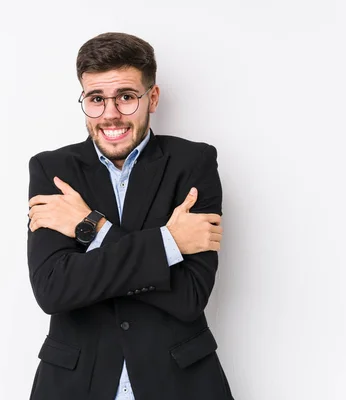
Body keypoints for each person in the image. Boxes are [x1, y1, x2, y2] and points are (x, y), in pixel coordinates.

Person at [27, 32, 234, 400]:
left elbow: (188, 296)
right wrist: (168, 243)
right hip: (76, 383)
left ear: (151, 98)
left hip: (179, 382)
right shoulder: (52, 170)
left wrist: (93, 228)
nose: (111, 114)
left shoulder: (193, 163)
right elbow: (53, 290)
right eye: (96, 99)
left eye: (126, 97)